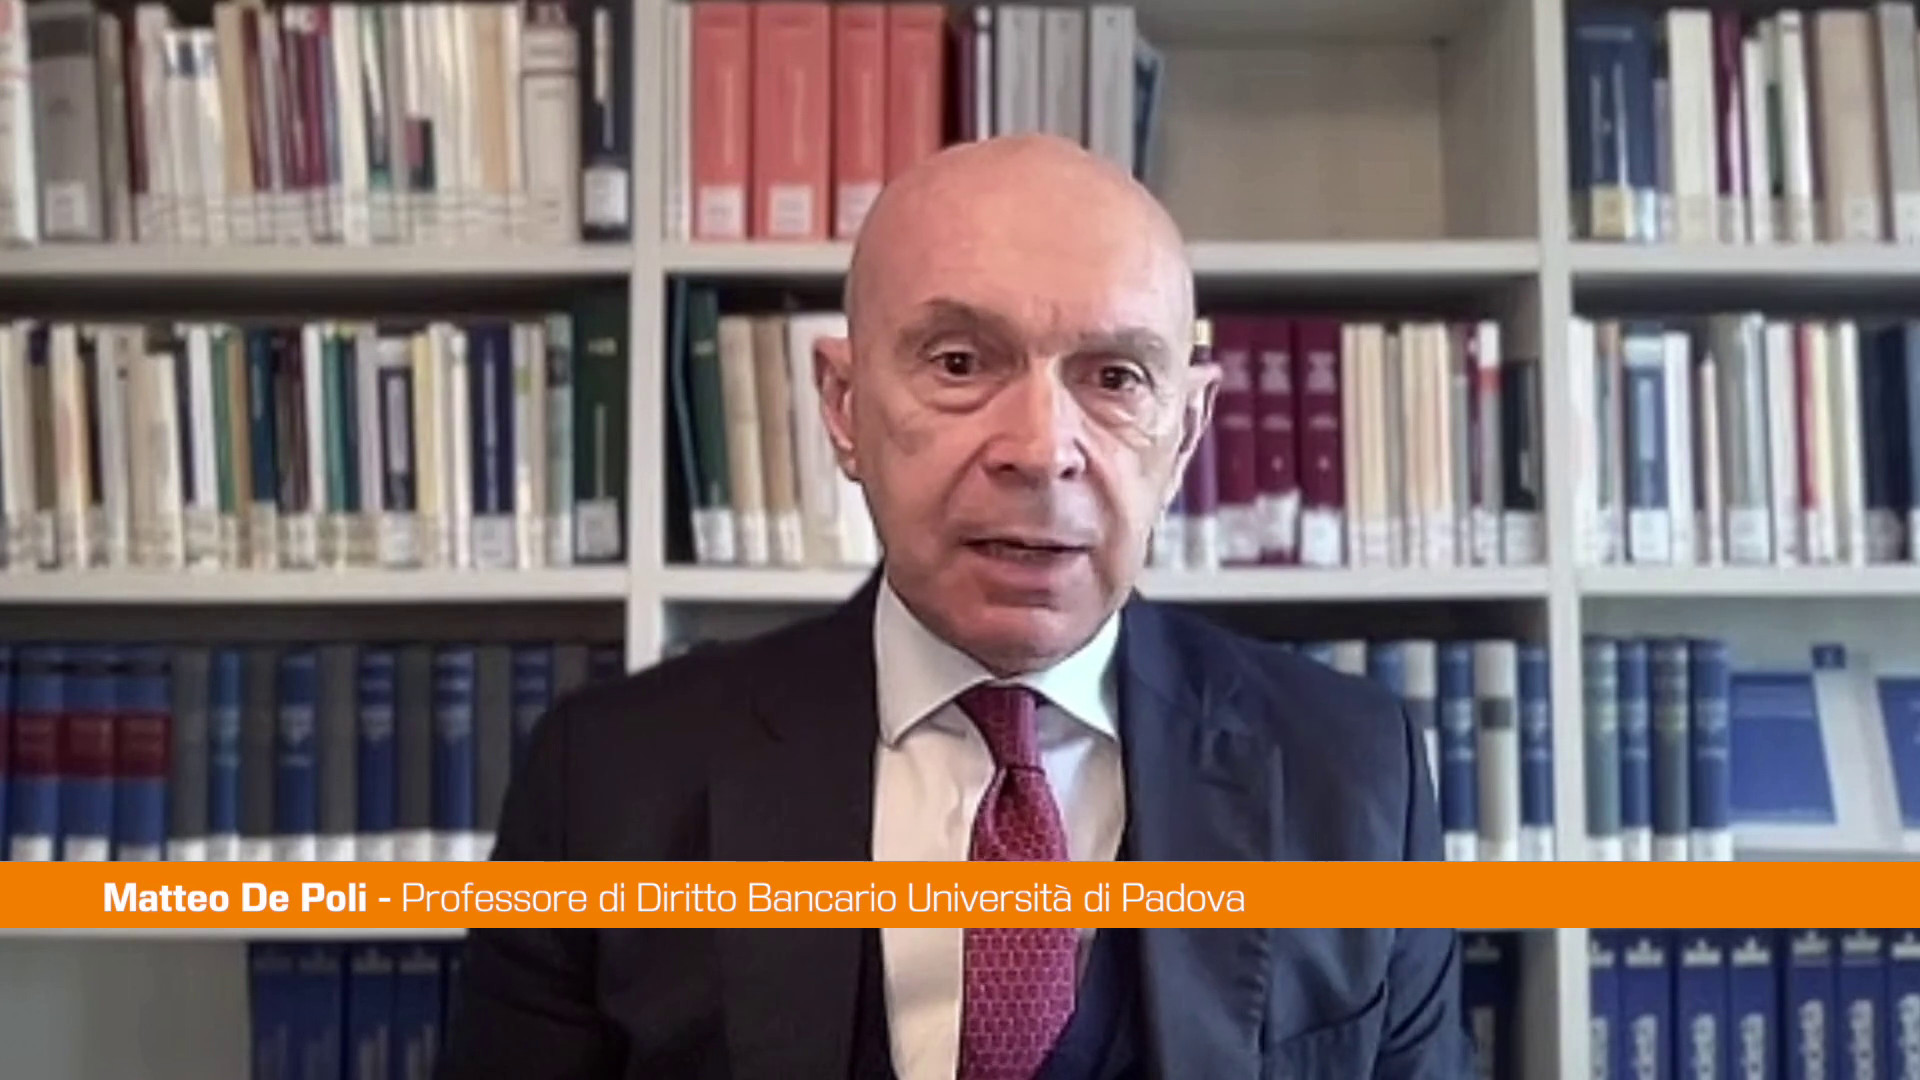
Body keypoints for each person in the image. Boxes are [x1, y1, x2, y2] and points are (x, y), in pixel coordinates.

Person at [437, 134, 1472, 1080]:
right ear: (844, 406)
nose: (1041, 449)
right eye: (961, 364)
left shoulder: (1357, 775)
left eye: (1115, 377)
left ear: (1187, 431)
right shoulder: (606, 778)